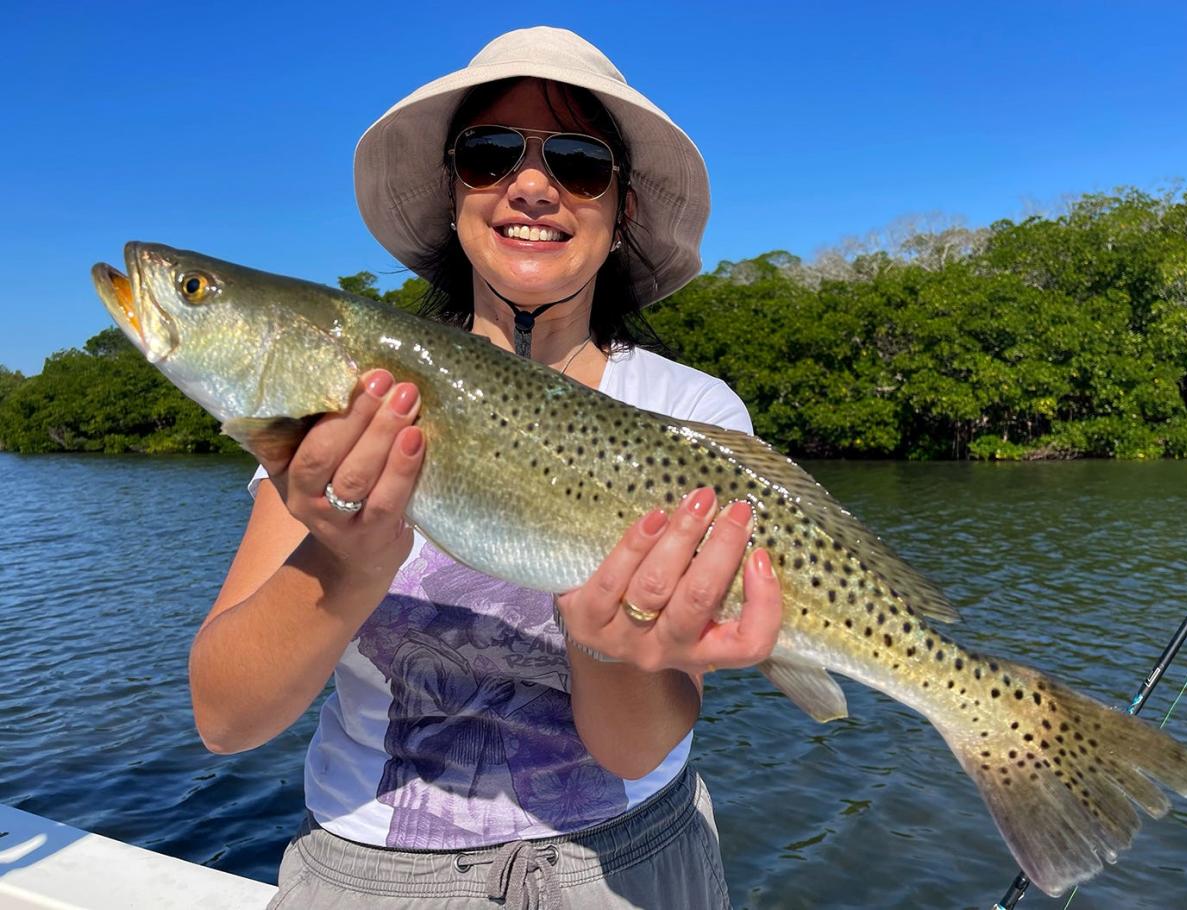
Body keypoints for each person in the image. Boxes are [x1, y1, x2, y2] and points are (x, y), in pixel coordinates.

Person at [191, 26, 782, 910]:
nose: (534, 185)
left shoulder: (693, 417)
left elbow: (635, 750)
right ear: (454, 192)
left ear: (621, 210)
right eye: (492, 153)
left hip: (627, 868)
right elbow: (227, 720)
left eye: (579, 162)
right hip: (371, 876)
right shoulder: (347, 398)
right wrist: (348, 559)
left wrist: (599, 631)